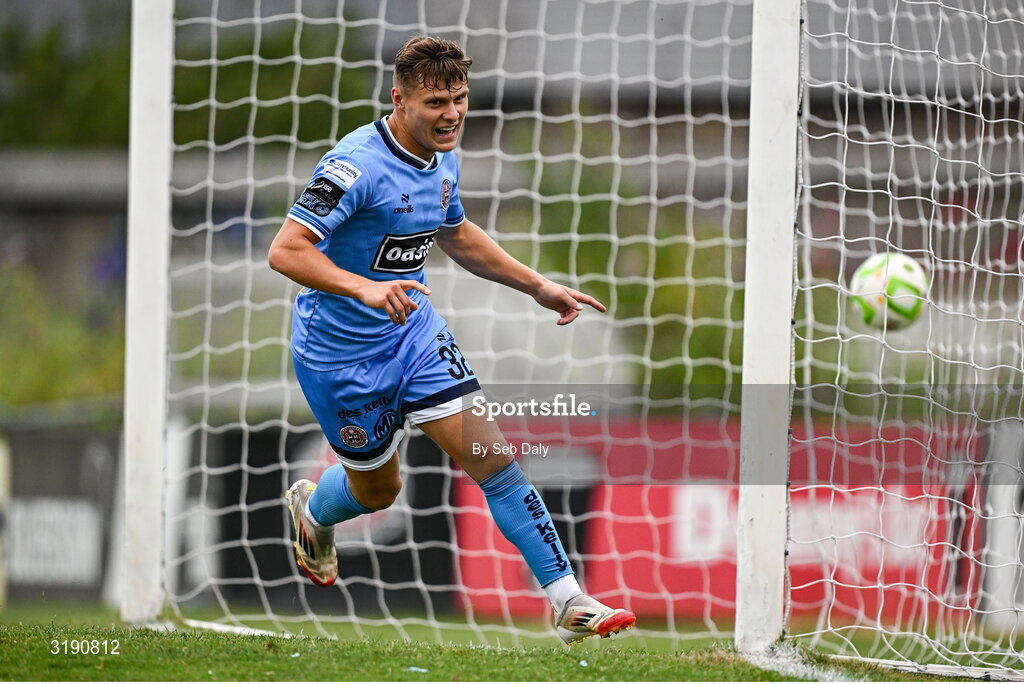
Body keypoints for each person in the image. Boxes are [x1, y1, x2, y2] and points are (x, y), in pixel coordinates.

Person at [268, 35, 635, 644]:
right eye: (436, 101)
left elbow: (456, 233)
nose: (452, 114)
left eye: (460, 99)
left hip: (413, 336)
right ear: (399, 99)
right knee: (379, 490)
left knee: (493, 459)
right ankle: (313, 510)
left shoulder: (443, 159)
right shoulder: (352, 165)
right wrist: (361, 287)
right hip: (340, 356)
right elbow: (286, 250)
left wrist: (537, 285)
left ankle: (568, 602)